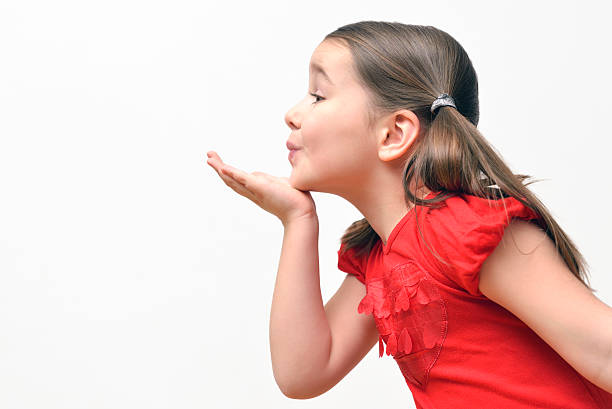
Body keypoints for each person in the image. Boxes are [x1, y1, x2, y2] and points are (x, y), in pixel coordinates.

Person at [206, 21, 612, 408]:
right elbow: (303, 373)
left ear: (394, 134)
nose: (292, 113)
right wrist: (297, 221)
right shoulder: (379, 256)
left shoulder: (466, 231)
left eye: (318, 95)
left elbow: (604, 352)